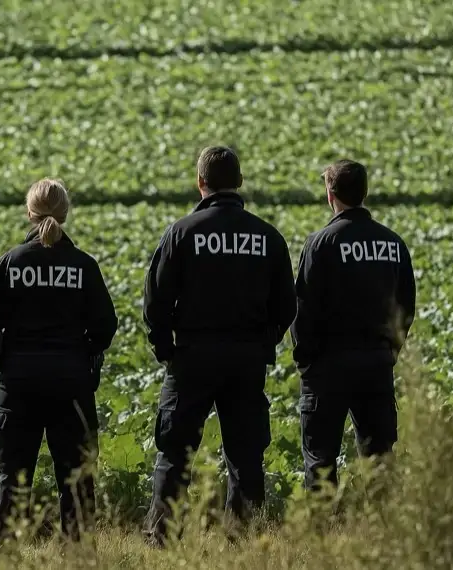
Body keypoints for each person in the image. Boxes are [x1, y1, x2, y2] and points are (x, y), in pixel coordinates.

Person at [141, 146, 297, 545]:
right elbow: (286, 306)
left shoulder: (181, 233)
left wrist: (166, 350)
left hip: (191, 357)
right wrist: (263, 341)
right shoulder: (268, 237)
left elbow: (156, 300)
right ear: (239, 182)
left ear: (200, 183)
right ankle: (243, 539)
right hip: (246, 359)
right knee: (246, 454)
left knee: (175, 451)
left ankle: (162, 537)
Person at [0, 178, 117, 550]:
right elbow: (105, 326)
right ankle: (79, 551)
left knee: (13, 474)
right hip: (71, 383)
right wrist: (83, 355)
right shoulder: (84, 266)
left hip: (19, 383)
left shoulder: (11, 263)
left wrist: (4, 358)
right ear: (65, 214)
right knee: (76, 475)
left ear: (29, 213)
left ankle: (5, 549)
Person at [291, 159, 416, 492]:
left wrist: (306, 362)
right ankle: (383, 520)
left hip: (327, 368)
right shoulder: (393, 243)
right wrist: (389, 351)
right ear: (365, 192)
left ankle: (322, 524)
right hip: (376, 364)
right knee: (380, 459)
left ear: (330, 195)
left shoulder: (320, 243)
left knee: (320, 461)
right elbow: (406, 306)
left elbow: (303, 309)